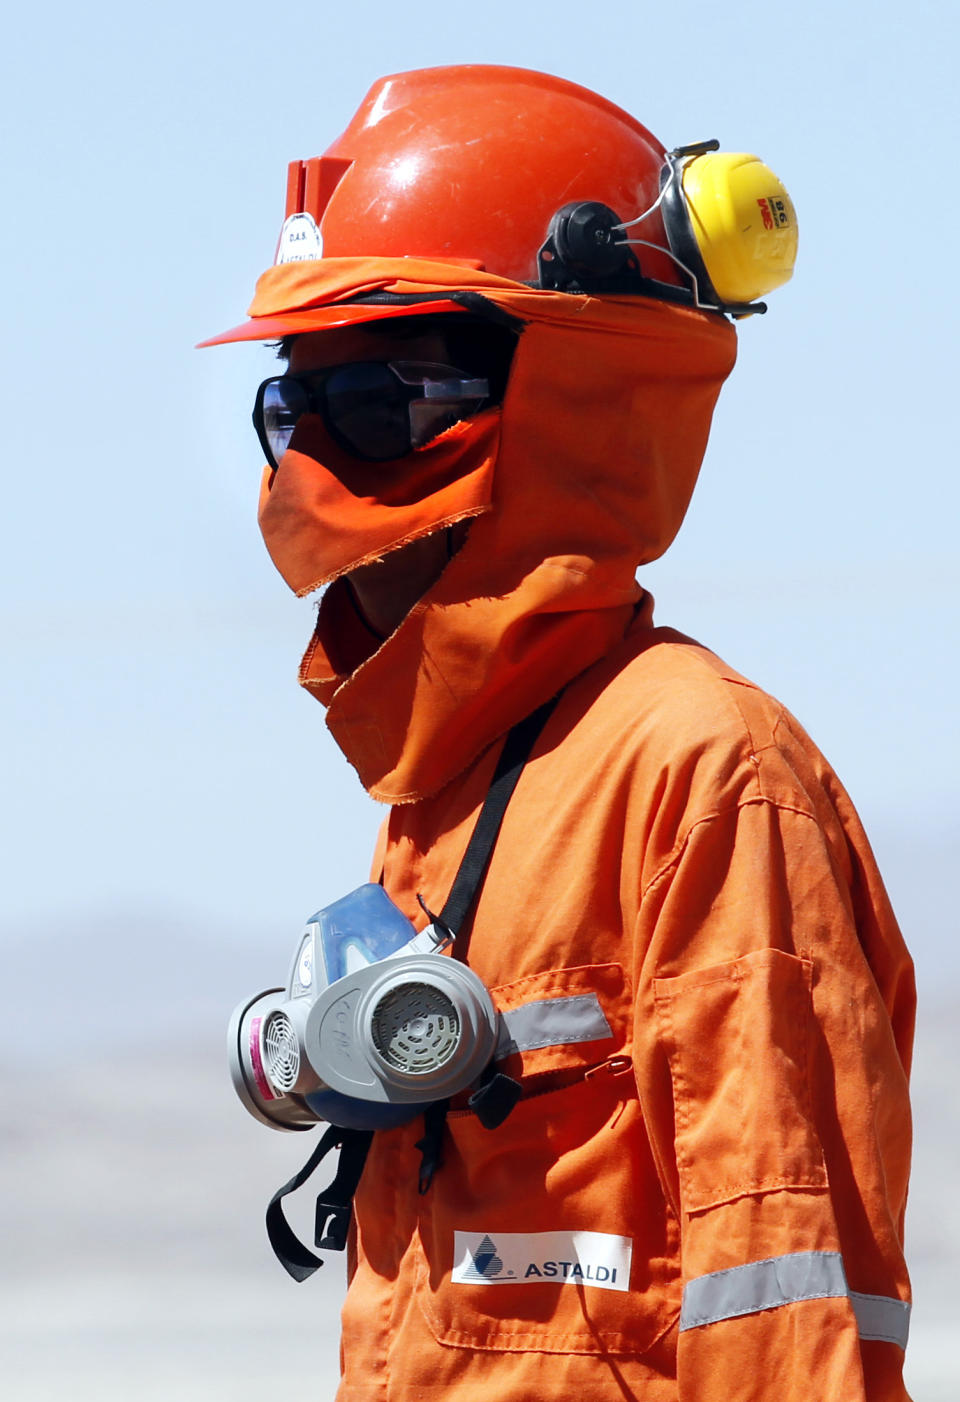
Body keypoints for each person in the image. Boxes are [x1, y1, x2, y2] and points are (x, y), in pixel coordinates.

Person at [203, 64, 914, 1402]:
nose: (315, 477)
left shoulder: (703, 773)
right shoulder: (459, 784)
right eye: (294, 410)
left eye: (377, 406)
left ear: (576, 390)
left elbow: (782, 1292)